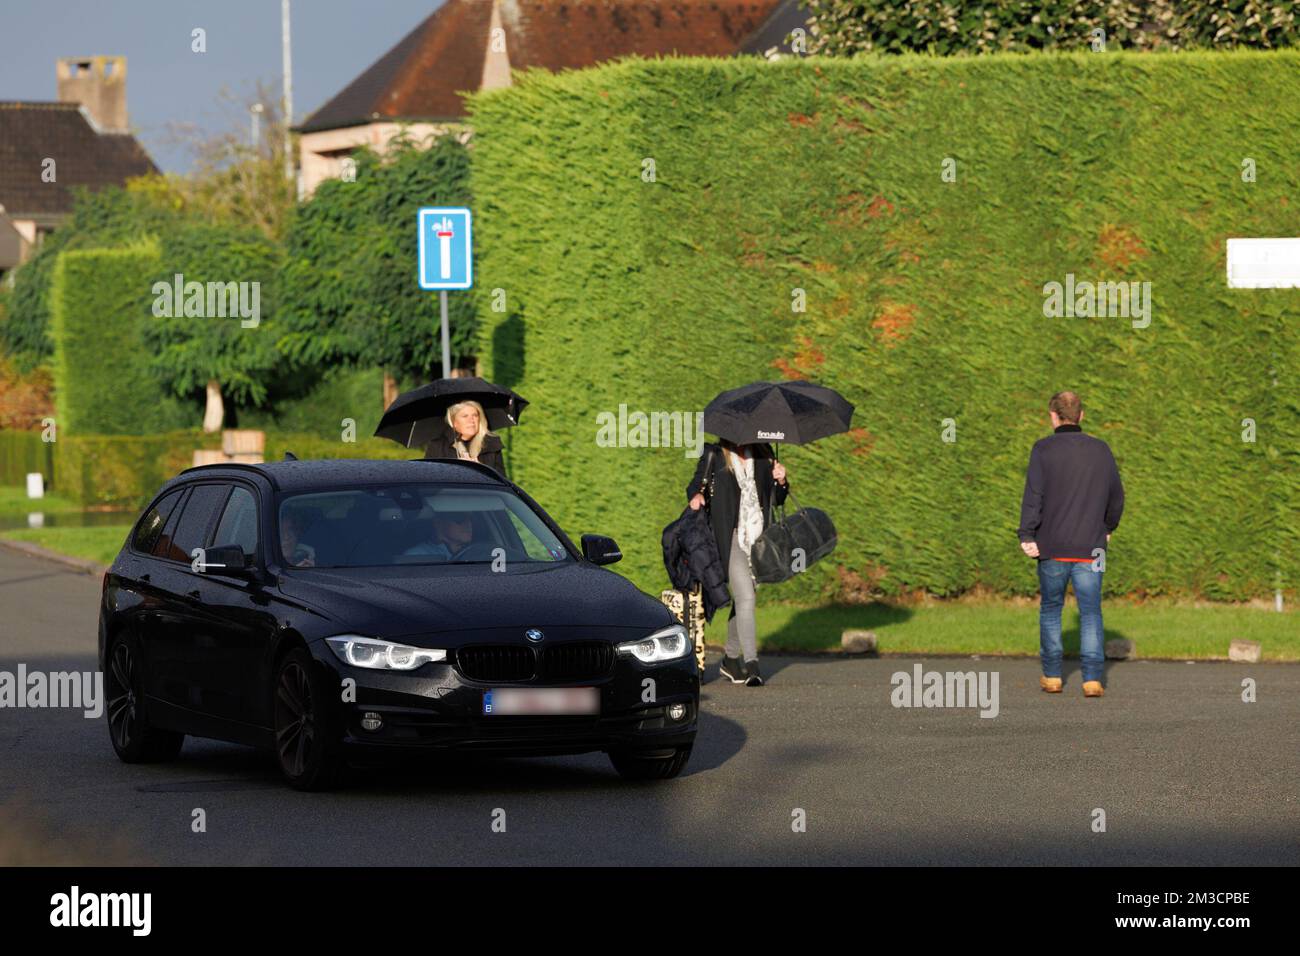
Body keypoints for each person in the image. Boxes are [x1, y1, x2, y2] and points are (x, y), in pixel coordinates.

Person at [1017, 391, 1124, 698]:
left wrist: (1027, 534)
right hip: (1092, 548)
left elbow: (1033, 496)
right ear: (1082, 415)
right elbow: (1116, 497)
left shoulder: (1043, 450)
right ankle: (1092, 679)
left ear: (1053, 416)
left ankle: (1052, 676)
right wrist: (1107, 528)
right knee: (1091, 611)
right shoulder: (1100, 450)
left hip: (1051, 547)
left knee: (1051, 609)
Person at [687, 438, 789, 686]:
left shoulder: (764, 455)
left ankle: (730, 660)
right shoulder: (715, 454)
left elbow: (777, 499)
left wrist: (781, 479)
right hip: (729, 537)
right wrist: (697, 496)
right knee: (746, 597)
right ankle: (752, 664)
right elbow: (694, 486)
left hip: (758, 538)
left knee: (744, 598)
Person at [423, 400, 505, 475]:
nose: (471, 420)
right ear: (454, 422)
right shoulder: (438, 446)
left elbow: (502, 482)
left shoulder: (491, 444)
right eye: (465, 416)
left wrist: (481, 470)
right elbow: (429, 478)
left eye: (475, 415)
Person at [405, 510, 476, 560]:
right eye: (460, 518)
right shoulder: (416, 555)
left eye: (471, 519)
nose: (468, 524)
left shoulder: (480, 553)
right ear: (438, 523)